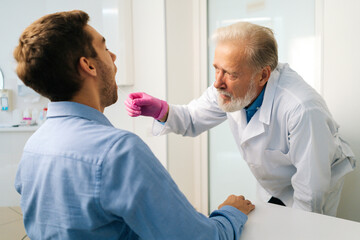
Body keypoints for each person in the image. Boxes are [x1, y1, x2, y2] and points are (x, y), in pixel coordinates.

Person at [14, 10, 255, 240]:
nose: (114, 56)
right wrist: (230, 212)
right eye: (105, 48)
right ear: (88, 65)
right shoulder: (117, 151)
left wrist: (164, 111)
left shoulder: (34, 147)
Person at [125, 21, 356, 216]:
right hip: (273, 183)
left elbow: (310, 194)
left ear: (263, 75)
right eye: (216, 69)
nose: (218, 82)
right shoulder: (230, 88)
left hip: (315, 183)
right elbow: (192, 118)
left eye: (230, 74)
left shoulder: (302, 109)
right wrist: (161, 110)